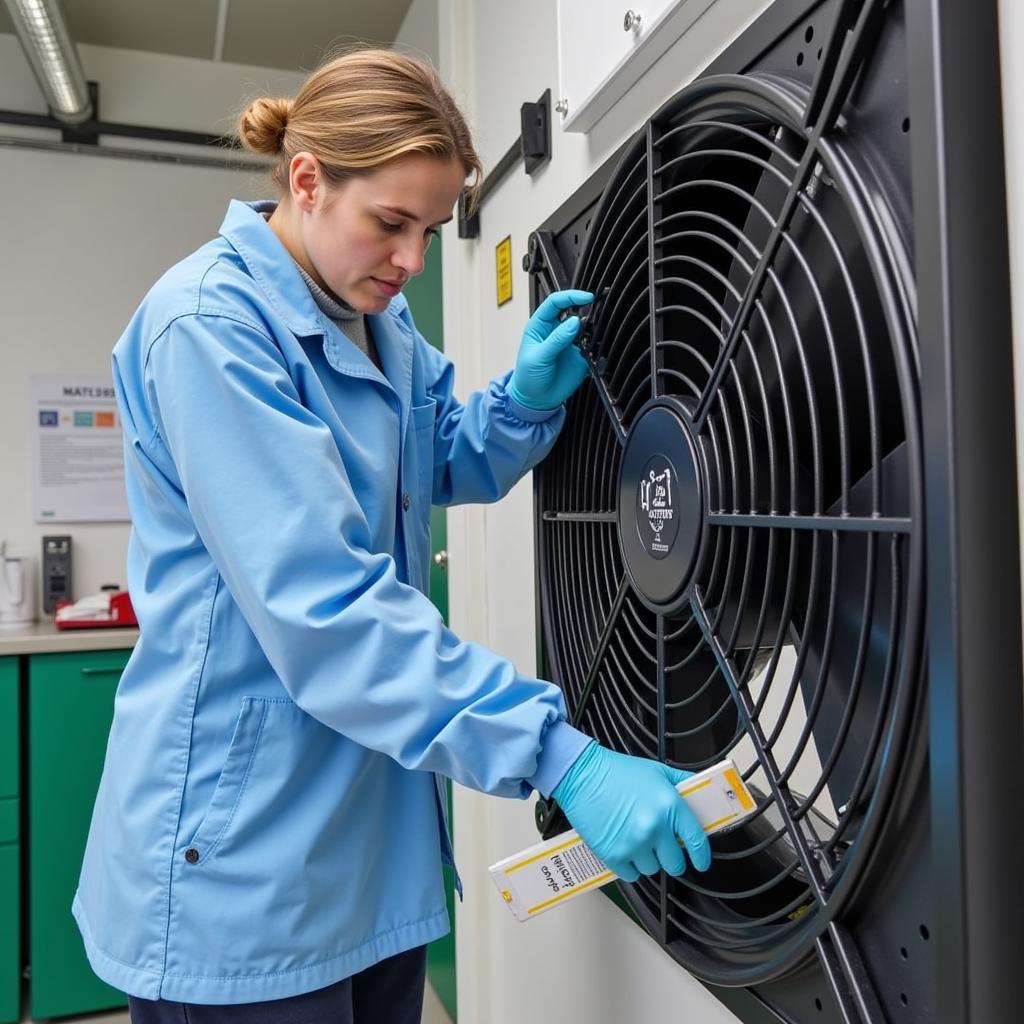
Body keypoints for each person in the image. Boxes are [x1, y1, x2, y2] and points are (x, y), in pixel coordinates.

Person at [74, 48, 712, 1024]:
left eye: (429, 228)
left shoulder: (383, 324)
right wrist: (560, 755)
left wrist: (520, 401)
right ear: (305, 179)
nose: (412, 260)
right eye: (390, 222)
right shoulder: (209, 327)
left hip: (369, 855)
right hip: (242, 858)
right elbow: (327, 608)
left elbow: (435, 462)